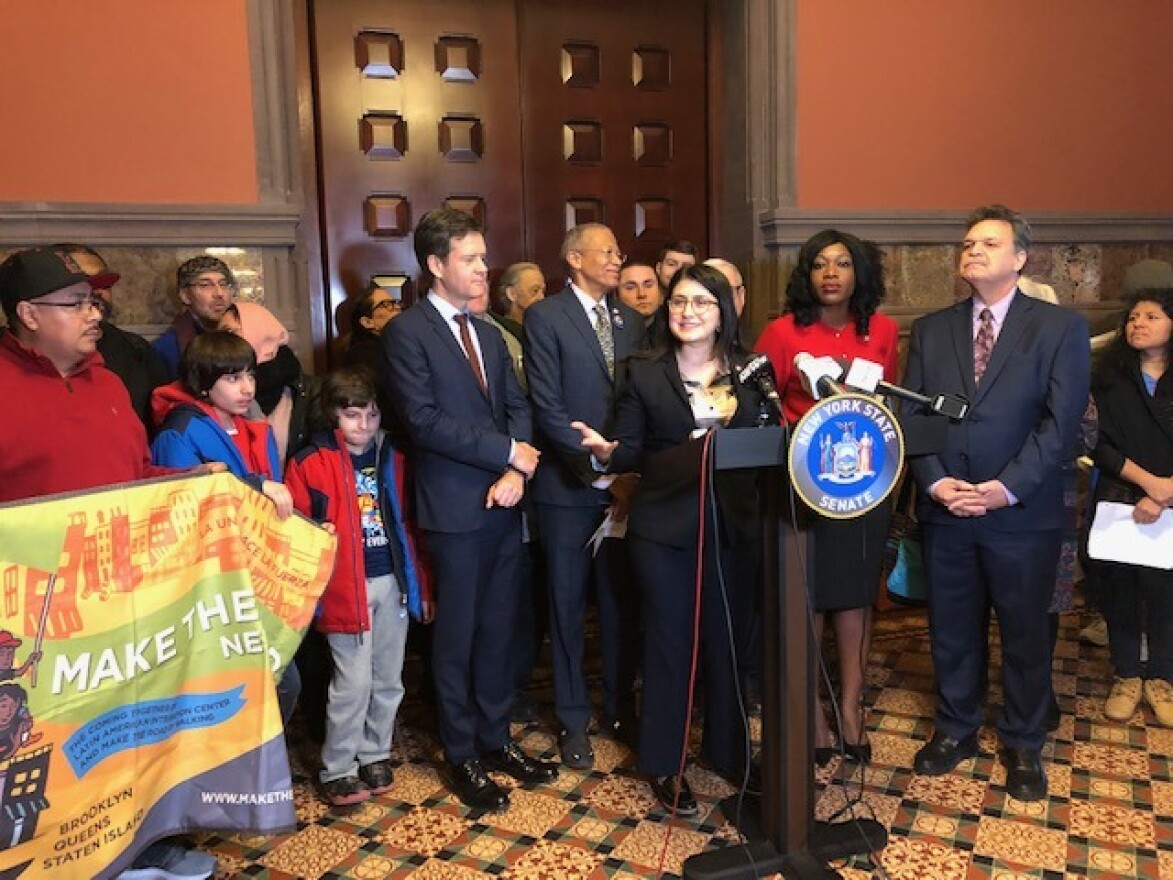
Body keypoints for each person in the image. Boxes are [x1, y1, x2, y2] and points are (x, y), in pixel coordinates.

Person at [0, 245, 218, 878]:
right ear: (28, 314)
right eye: (77, 303)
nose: (95, 312)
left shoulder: (110, 382)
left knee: (132, 733)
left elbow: (132, 476)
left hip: (124, 601)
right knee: (54, 752)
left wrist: (190, 479)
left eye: (95, 300)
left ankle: (144, 845)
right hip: (39, 624)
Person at [901, 205, 1090, 802]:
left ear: (1020, 257)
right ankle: (956, 728)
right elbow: (911, 417)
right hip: (947, 508)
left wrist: (1006, 487)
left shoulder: (1059, 329)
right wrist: (934, 482)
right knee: (951, 630)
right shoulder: (932, 329)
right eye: (967, 243)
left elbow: (1060, 426)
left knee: (1026, 633)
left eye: (988, 242)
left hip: (1021, 512)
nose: (973, 250)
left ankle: (1023, 740)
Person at [574, 264, 770, 816]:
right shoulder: (641, 371)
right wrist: (607, 452)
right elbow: (633, 447)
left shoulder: (752, 370)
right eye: (680, 301)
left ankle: (729, 753)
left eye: (702, 303)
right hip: (665, 530)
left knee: (728, 643)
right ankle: (666, 760)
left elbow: (765, 439)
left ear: (722, 312)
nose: (688, 312)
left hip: (734, 525)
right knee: (670, 644)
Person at [383, 207, 557, 812]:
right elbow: (424, 421)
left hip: (504, 503)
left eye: (485, 257)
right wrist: (509, 452)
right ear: (436, 265)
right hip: (453, 509)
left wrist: (515, 470)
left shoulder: (487, 331)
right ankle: (460, 754)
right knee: (456, 637)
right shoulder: (406, 334)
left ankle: (494, 738)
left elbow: (519, 405)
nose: (485, 267)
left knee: (499, 631)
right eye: (472, 258)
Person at [755, 229, 899, 764]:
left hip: (865, 485)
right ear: (806, 275)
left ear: (859, 272)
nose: (831, 273)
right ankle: (814, 712)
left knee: (856, 596)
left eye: (842, 263)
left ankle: (852, 706)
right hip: (803, 486)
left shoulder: (882, 330)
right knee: (810, 596)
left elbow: (887, 405)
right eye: (820, 264)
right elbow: (761, 403)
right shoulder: (781, 332)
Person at [525, 223, 646, 769]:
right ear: (574, 258)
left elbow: (640, 401)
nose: (618, 259)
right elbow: (546, 407)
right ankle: (573, 718)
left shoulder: (634, 321)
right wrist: (597, 468)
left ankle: (621, 708)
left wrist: (626, 467)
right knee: (567, 606)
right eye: (608, 251)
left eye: (619, 251)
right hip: (567, 489)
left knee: (621, 608)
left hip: (625, 490)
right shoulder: (545, 317)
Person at [285, 368, 433, 806]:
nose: (363, 426)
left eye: (370, 415)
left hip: (392, 581)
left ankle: (375, 753)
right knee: (351, 682)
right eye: (352, 416)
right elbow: (296, 527)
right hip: (343, 588)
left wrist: (420, 584)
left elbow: (409, 523)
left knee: (389, 677)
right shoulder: (311, 461)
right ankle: (339, 767)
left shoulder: (393, 455)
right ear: (333, 415)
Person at [1089, 289, 1173, 727]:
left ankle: (1161, 678)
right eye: (1133, 317)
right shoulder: (1108, 380)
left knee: (1166, 593)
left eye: (1152, 316)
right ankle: (1126, 675)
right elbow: (1098, 442)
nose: (1138, 324)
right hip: (1121, 499)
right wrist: (1149, 484)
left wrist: (1166, 492)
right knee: (1119, 591)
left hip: (1171, 504)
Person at [58, 243, 169, 431]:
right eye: (84, 285)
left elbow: (162, 420)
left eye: (104, 285)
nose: (97, 292)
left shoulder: (136, 350)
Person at [219, 301, 320, 464]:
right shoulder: (217, 388)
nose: (221, 341)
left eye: (230, 332)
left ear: (259, 331)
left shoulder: (305, 391)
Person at [153, 255, 237, 381]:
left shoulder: (245, 334)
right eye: (205, 285)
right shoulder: (166, 350)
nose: (219, 293)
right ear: (185, 295)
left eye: (224, 284)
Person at [343, 284, 403, 378]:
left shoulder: (393, 344)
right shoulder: (364, 356)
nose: (397, 307)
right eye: (387, 304)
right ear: (367, 322)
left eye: (395, 302)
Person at [490, 261, 546, 341]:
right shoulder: (500, 334)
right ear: (512, 294)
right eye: (535, 290)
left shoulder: (544, 329)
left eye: (543, 291)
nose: (541, 297)